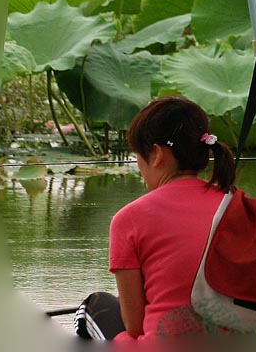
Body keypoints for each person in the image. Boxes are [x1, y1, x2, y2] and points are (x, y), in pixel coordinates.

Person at [74, 96, 236, 341]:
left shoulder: (129, 219)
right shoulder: (237, 204)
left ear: (158, 154)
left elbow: (135, 325)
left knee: (93, 307)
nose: (138, 164)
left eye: (138, 154)